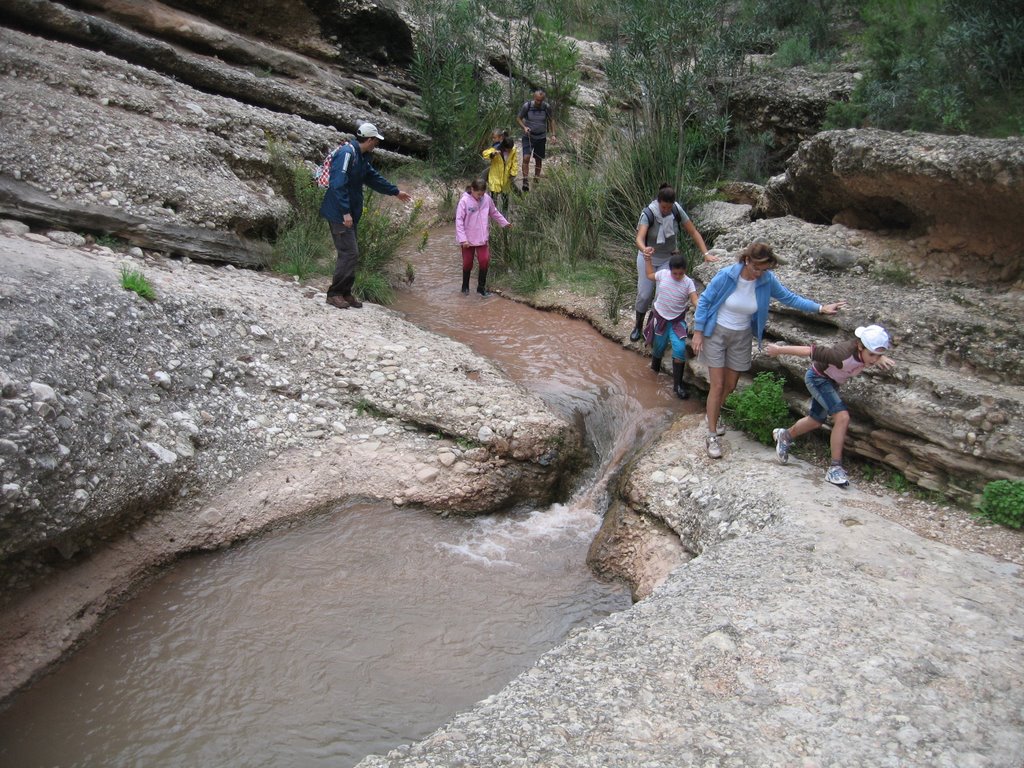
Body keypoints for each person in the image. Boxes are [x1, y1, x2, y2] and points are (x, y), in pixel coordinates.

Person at [691, 241, 846, 459]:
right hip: (716, 332)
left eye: (764, 270)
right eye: (756, 268)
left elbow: (789, 298)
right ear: (746, 260)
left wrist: (820, 308)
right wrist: (698, 332)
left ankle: (712, 413)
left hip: (742, 335)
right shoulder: (727, 275)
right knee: (717, 385)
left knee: (731, 384)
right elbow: (705, 300)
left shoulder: (766, 281)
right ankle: (712, 435)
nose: (759, 273)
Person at [767, 325, 896, 486]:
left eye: (879, 355)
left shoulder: (866, 352)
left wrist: (879, 356)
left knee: (816, 420)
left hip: (832, 383)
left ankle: (785, 436)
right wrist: (779, 350)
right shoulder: (840, 355)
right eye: (872, 355)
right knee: (842, 417)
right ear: (860, 346)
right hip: (818, 378)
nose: (875, 360)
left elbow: (873, 353)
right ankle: (835, 468)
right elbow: (809, 351)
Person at [320, 122, 412, 310]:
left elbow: (373, 178)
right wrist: (345, 212)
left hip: (349, 213)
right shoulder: (347, 154)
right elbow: (337, 184)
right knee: (349, 252)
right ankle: (335, 294)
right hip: (339, 213)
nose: (376, 144)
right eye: (375, 141)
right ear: (369, 140)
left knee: (351, 253)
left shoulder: (362, 157)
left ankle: (345, 293)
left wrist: (395, 192)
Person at [630, 184, 715, 342]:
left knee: (660, 295)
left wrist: (706, 253)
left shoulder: (676, 210)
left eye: (669, 207)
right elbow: (639, 238)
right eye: (663, 207)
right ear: (658, 202)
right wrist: (644, 249)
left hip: (667, 258)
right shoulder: (648, 213)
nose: (666, 210)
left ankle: (651, 329)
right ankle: (637, 326)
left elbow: (693, 231)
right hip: (647, 257)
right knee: (644, 295)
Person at [642, 252, 698, 399]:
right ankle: (653, 372)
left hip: (677, 322)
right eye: (675, 273)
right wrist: (648, 260)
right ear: (670, 270)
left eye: (681, 273)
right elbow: (649, 275)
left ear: (685, 270)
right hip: (660, 319)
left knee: (679, 349)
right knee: (658, 348)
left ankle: (677, 386)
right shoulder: (663, 274)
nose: (678, 276)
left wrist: (701, 307)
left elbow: (694, 299)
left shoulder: (688, 283)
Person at [455, 178, 510, 297]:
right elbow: (459, 221)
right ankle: (465, 287)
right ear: (472, 190)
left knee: (484, 261)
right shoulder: (464, 201)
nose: (480, 196)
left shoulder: (487, 199)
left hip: (482, 237)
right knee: (467, 263)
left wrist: (505, 223)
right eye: (478, 194)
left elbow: (494, 212)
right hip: (467, 239)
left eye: (482, 194)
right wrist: (463, 239)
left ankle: (481, 288)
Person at [517, 90, 554, 191]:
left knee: (538, 159)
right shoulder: (527, 106)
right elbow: (519, 118)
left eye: (540, 100)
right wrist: (524, 127)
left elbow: (551, 120)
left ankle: (536, 179)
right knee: (526, 158)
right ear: (534, 98)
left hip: (541, 137)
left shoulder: (546, 107)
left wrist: (553, 134)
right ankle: (525, 181)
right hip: (528, 136)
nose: (538, 102)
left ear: (543, 100)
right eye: (537, 100)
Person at [482, 135, 519, 215]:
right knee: (493, 199)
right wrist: (493, 154)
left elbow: (514, 162)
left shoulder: (513, 150)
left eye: (510, 149)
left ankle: (505, 218)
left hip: (506, 179)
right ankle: (493, 216)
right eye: (508, 149)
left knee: (505, 199)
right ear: (504, 147)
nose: (509, 151)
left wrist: (513, 173)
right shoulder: (496, 149)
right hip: (495, 178)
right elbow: (485, 154)